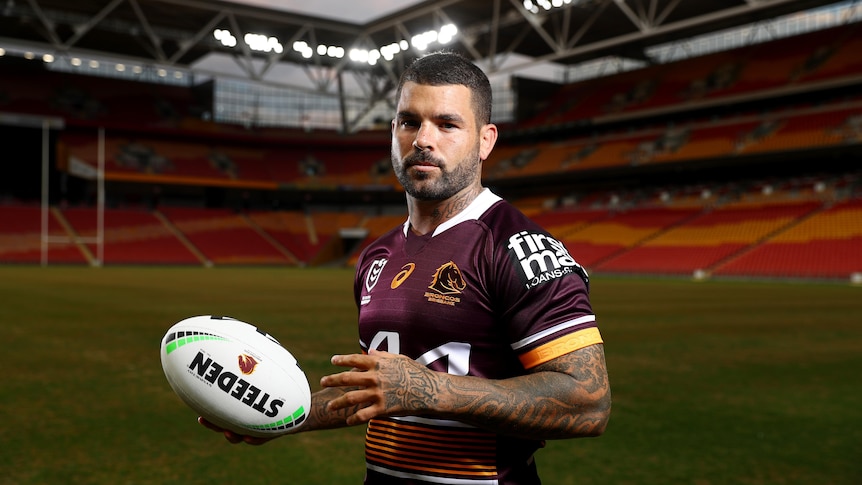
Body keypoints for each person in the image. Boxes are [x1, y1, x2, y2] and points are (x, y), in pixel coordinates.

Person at [201, 50, 611, 484]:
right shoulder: (375, 257)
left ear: (486, 140)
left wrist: (428, 390)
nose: (422, 139)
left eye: (447, 124)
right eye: (409, 122)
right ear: (393, 132)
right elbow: (377, 390)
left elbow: (589, 403)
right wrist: (278, 415)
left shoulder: (518, 248)